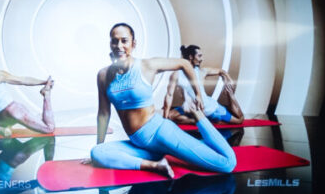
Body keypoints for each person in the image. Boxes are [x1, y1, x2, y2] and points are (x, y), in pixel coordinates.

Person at [89, 23, 236, 178]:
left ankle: (199, 118)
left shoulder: (147, 65)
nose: (119, 46)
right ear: (110, 43)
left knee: (226, 164)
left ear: (133, 44)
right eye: (114, 41)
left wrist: (198, 94)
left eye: (124, 41)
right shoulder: (103, 75)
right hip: (139, 144)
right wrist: (101, 144)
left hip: (161, 133)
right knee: (97, 153)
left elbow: (184, 63)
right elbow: (104, 113)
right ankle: (154, 165)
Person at [164, 44, 245, 125]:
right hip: (190, 107)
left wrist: (229, 79)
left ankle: (230, 95)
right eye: (199, 56)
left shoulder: (201, 72)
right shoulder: (176, 74)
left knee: (239, 120)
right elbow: (169, 95)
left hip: (208, 108)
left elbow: (221, 71)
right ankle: (198, 120)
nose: (202, 59)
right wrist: (165, 117)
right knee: (170, 116)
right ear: (191, 57)